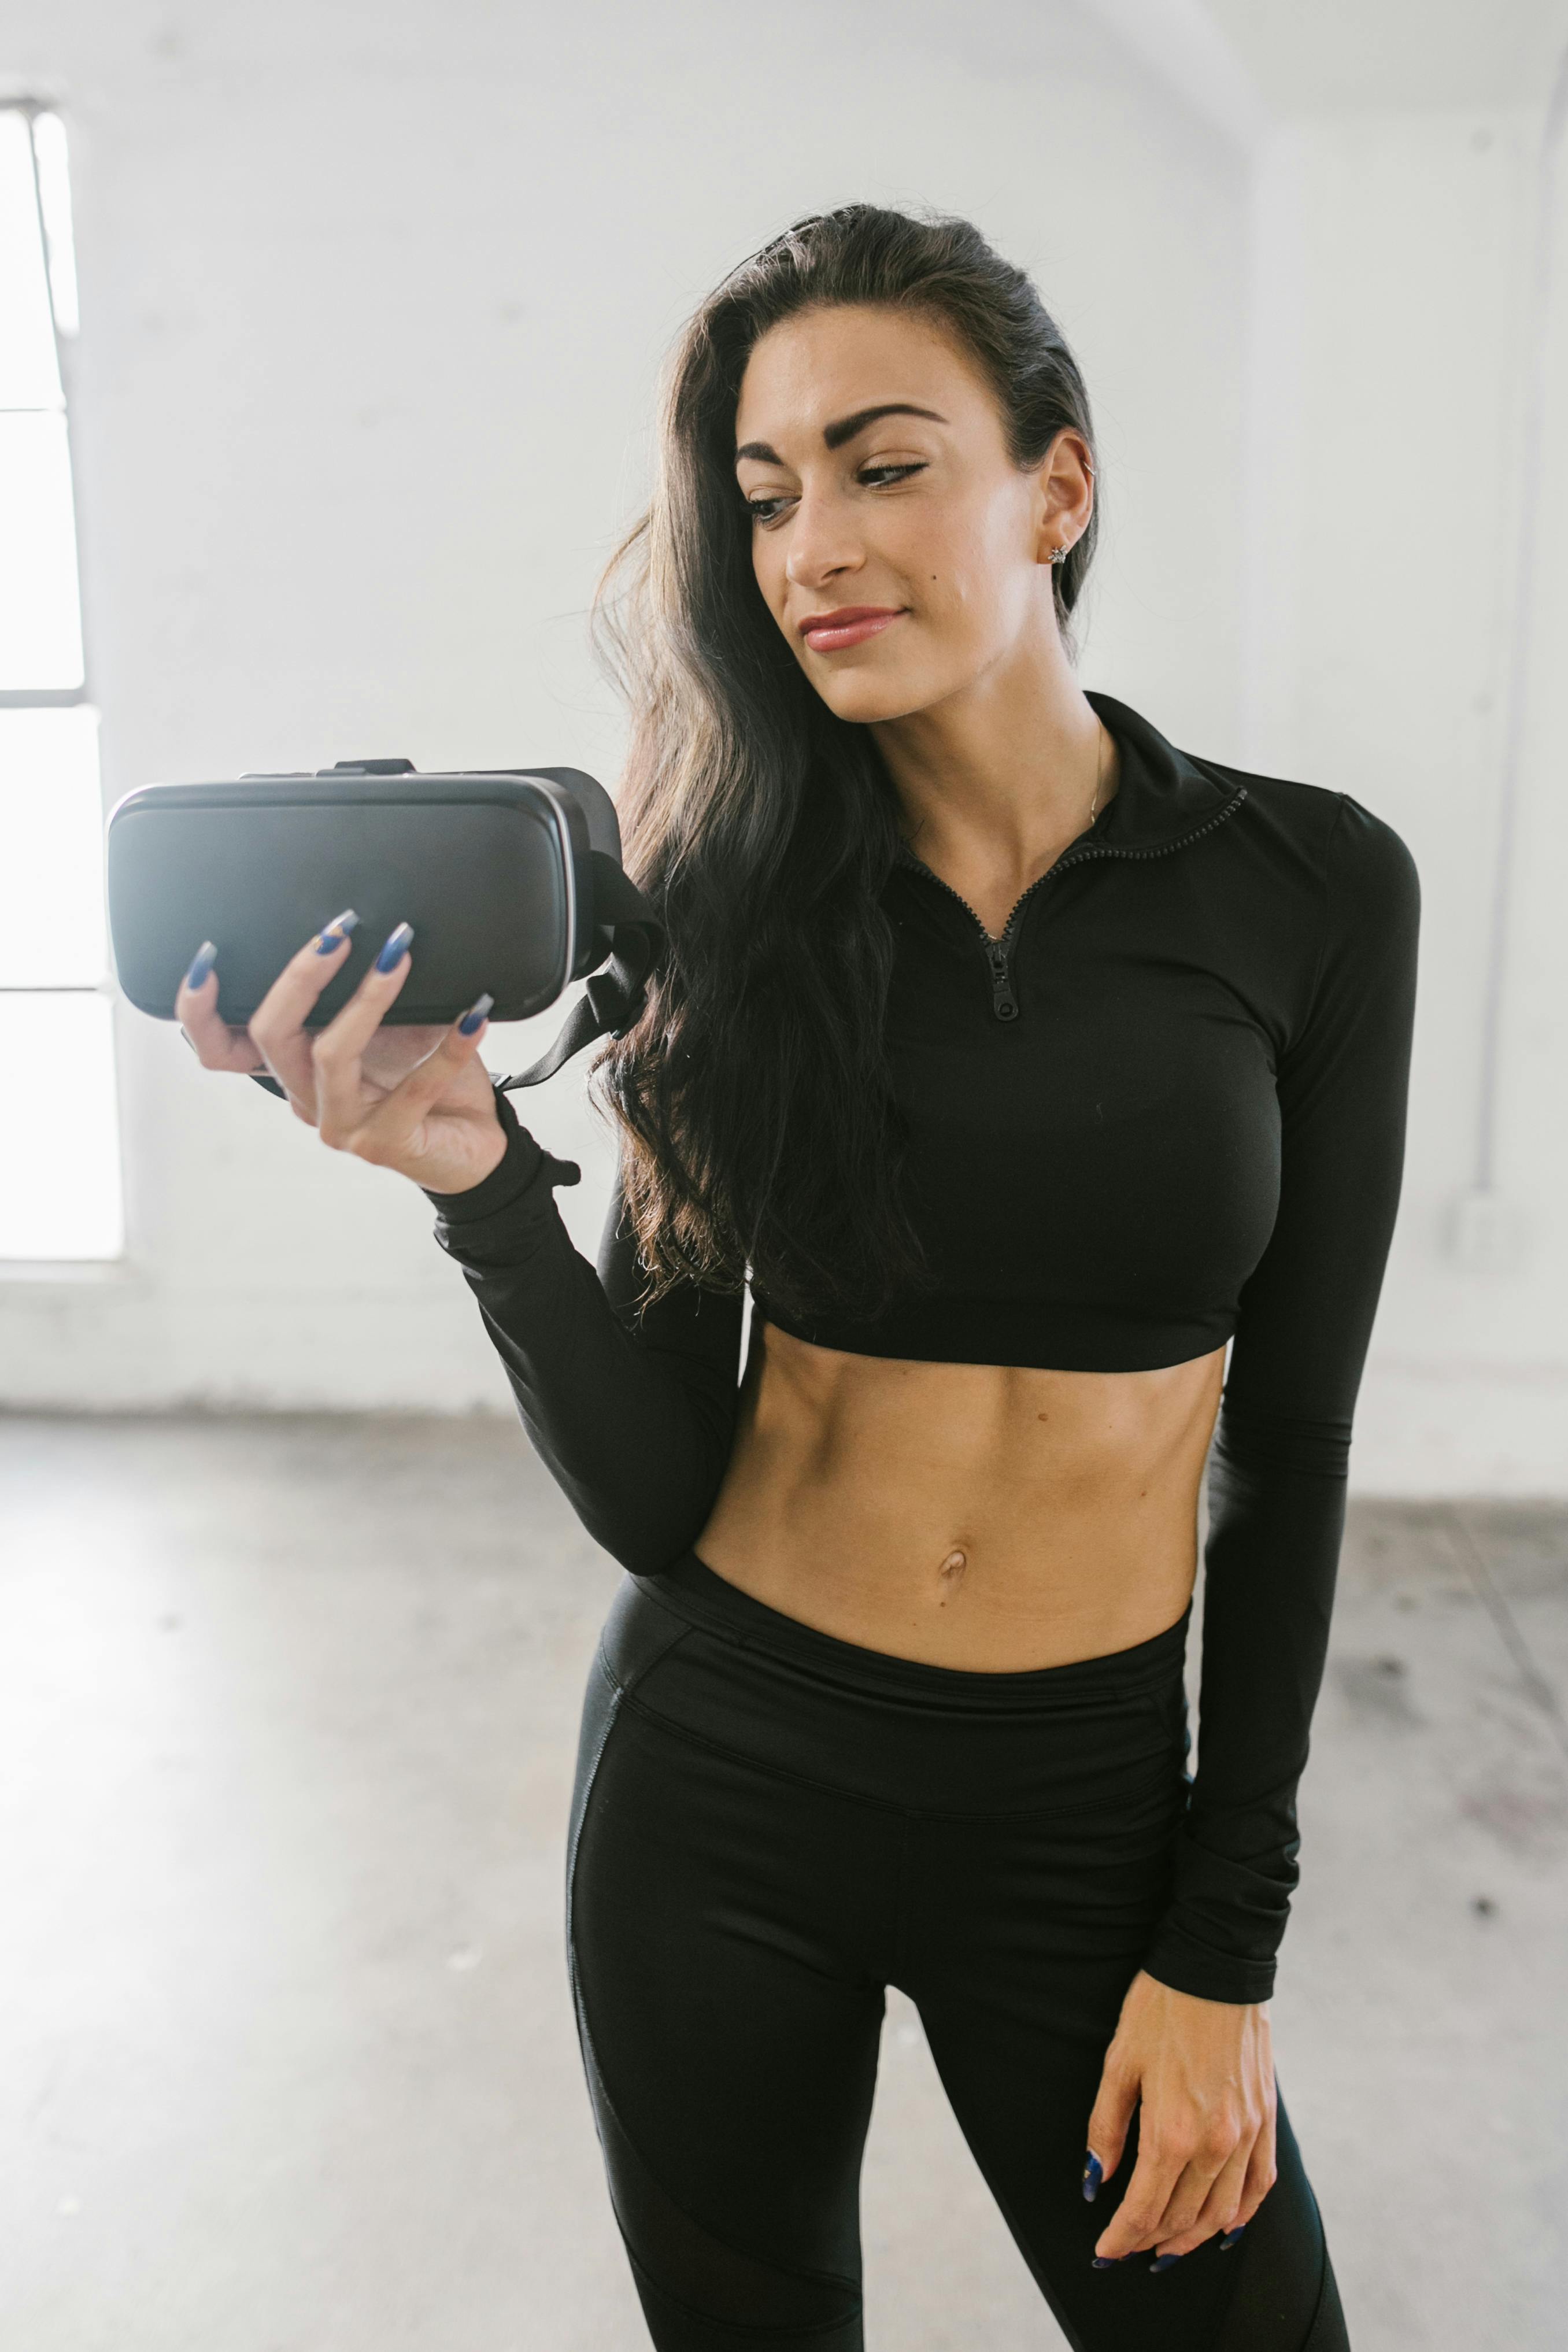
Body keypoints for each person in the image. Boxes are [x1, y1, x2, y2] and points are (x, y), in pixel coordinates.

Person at [180, 205, 1418, 2351]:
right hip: (723, 1774)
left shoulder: (1309, 889)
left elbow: (1288, 1445)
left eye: (884, 462)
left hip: (1086, 1804)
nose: (811, 544)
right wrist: (482, 1184)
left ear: (1061, 480)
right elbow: (660, 1491)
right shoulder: (721, 911)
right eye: (761, 497)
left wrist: (1228, 1939)